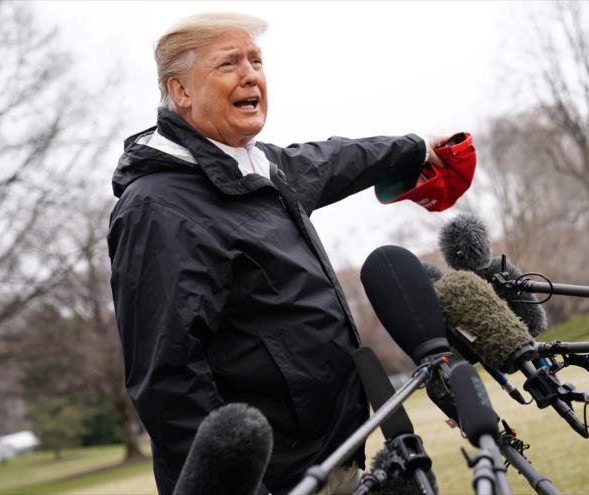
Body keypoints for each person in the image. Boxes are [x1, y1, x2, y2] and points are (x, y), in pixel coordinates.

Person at [107, 13, 466, 495]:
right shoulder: (157, 208)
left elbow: (337, 159)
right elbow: (167, 379)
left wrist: (418, 149)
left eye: (256, 60)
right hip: (271, 483)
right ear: (181, 91)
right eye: (228, 63)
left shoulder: (262, 169)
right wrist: (241, 483)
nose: (250, 73)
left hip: (338, 457)